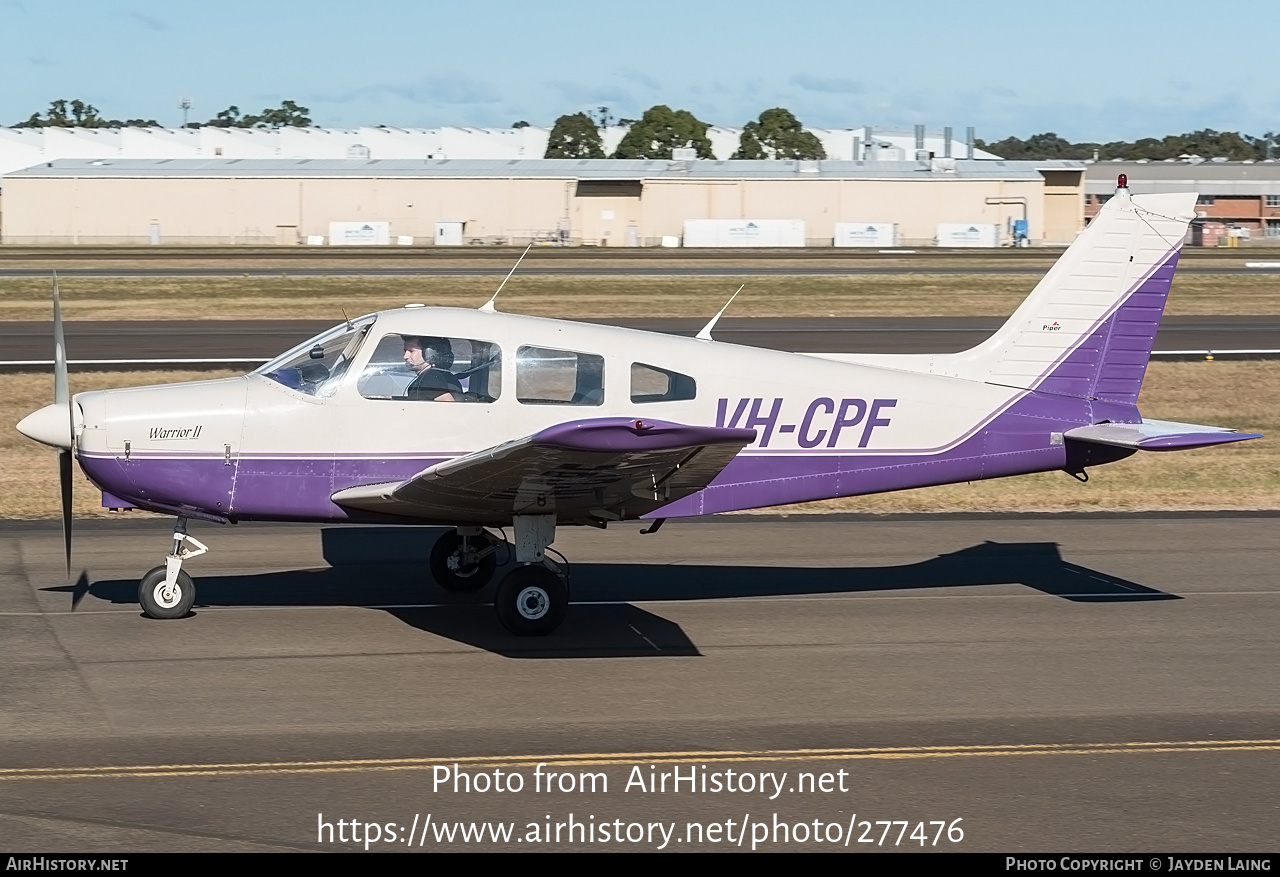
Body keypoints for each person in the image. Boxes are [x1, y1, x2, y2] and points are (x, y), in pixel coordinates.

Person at [402, 336, 463, 401]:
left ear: (429, 353)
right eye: (405, 351)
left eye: (411, 351)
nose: (405, 356)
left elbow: (450, 407)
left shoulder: (430, 379)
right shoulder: (443, 376)